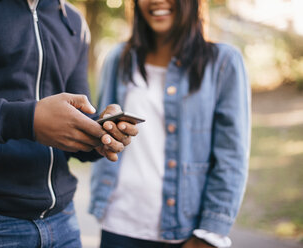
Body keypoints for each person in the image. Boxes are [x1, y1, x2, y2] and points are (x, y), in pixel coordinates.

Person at [0, 0, 138, 247]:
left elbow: (78, 118)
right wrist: (28, 120)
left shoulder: (73, 21)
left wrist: (101, 133)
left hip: (64, 223)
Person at [89, 0, 251, 247]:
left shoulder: (224, 62)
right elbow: (102, 137)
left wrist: (210, 233)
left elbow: (232, 155)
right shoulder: (119, 58)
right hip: (118, 224)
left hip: (184, 232)